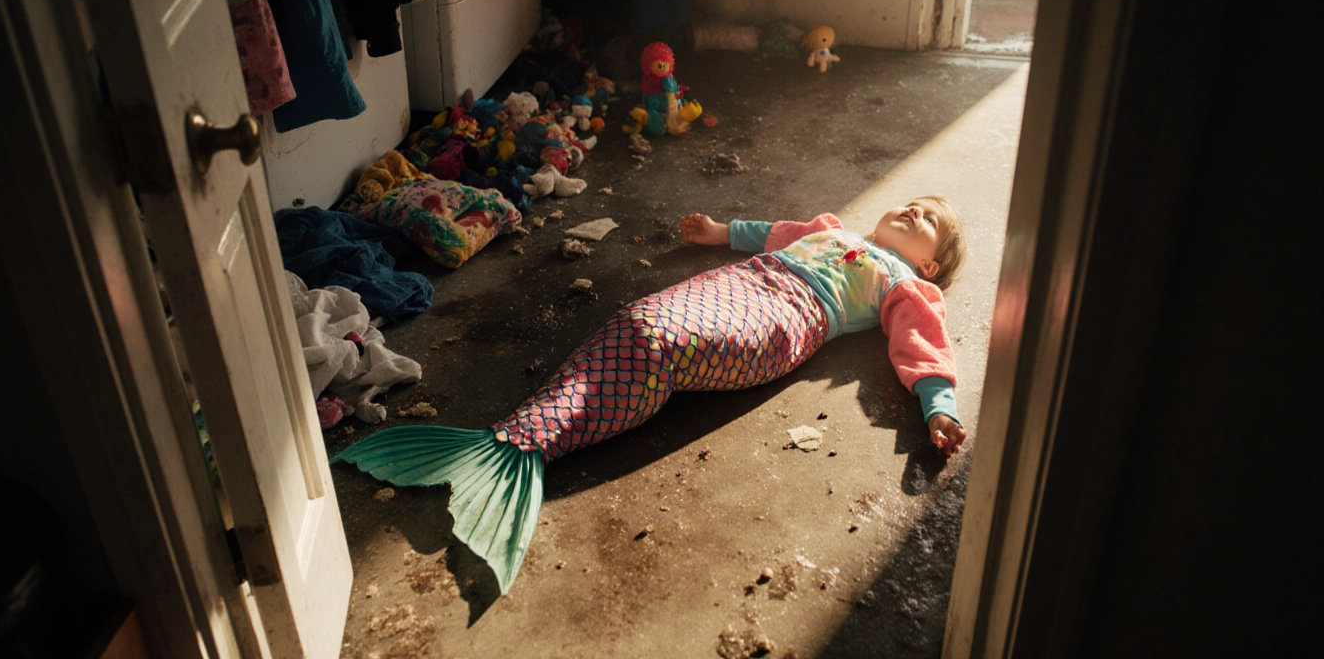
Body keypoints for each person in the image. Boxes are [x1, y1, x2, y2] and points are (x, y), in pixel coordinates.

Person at [334, 197, 970, 594]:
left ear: (931, 264)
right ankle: (518, 439)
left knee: (660, 343)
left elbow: (922, 347)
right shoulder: (833, 230)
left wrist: (937, 407)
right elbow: (778, 230)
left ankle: (523, 452)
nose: (915, 211)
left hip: (791, 317)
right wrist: (722, 231)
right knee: (637, 322)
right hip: (743, 279)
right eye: (912, 204)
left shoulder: (904, 284)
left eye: (930, 220)